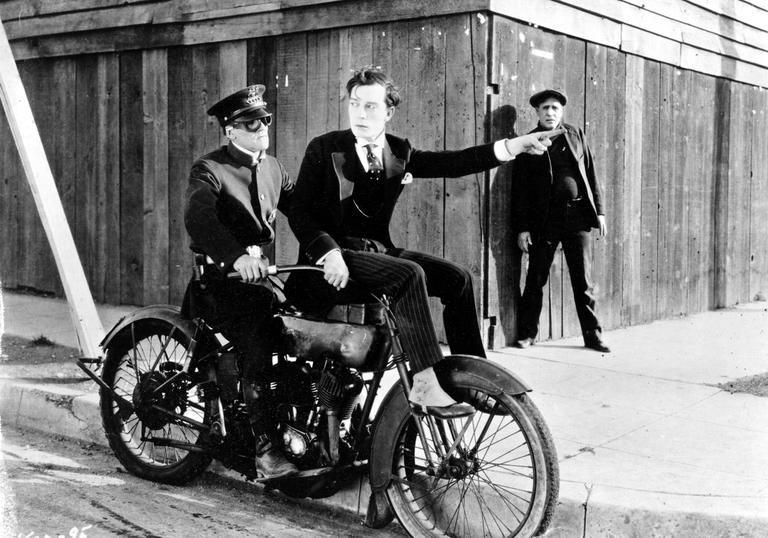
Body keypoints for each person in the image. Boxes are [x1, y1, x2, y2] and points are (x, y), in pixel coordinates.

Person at [286, 66, 559, 407]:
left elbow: (454, 162)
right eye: (354, 104)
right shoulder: (324, 148)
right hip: (329, 265)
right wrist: (328, 252)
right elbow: (300, 212)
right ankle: (425, 379)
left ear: (389, 111)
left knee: (457, 278)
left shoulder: (399, 150)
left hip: (377, 254)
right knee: (409, 275)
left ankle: (474, 378)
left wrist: (515, 145)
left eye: (370, 106)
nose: (360, 113)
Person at [181, 84, 298, 478]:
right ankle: (265, 448)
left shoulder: (274, 168)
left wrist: (333, 248)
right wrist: (234, 257)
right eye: (250, 123)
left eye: (264, 119)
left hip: (261, 278)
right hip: (220, 279)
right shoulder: (209, 169)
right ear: (231, 131)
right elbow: (200, 219)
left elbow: (304, 214)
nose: (261, 127)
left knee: (304, 321)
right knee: (260, 331)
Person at [511, 89, 610, 353]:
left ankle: (593, 336)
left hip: (577, 218)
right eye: (545, 108)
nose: (550, 113)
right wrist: (522, 228)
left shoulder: (576, 135)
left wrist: (599, 211)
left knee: (584, 281)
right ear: (537, 112)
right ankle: (527, 334)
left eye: (555, 108)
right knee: (536, 278)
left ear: (561, 111)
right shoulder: (529, 141)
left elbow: (590, 172)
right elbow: (519, 190)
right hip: (545, 221)